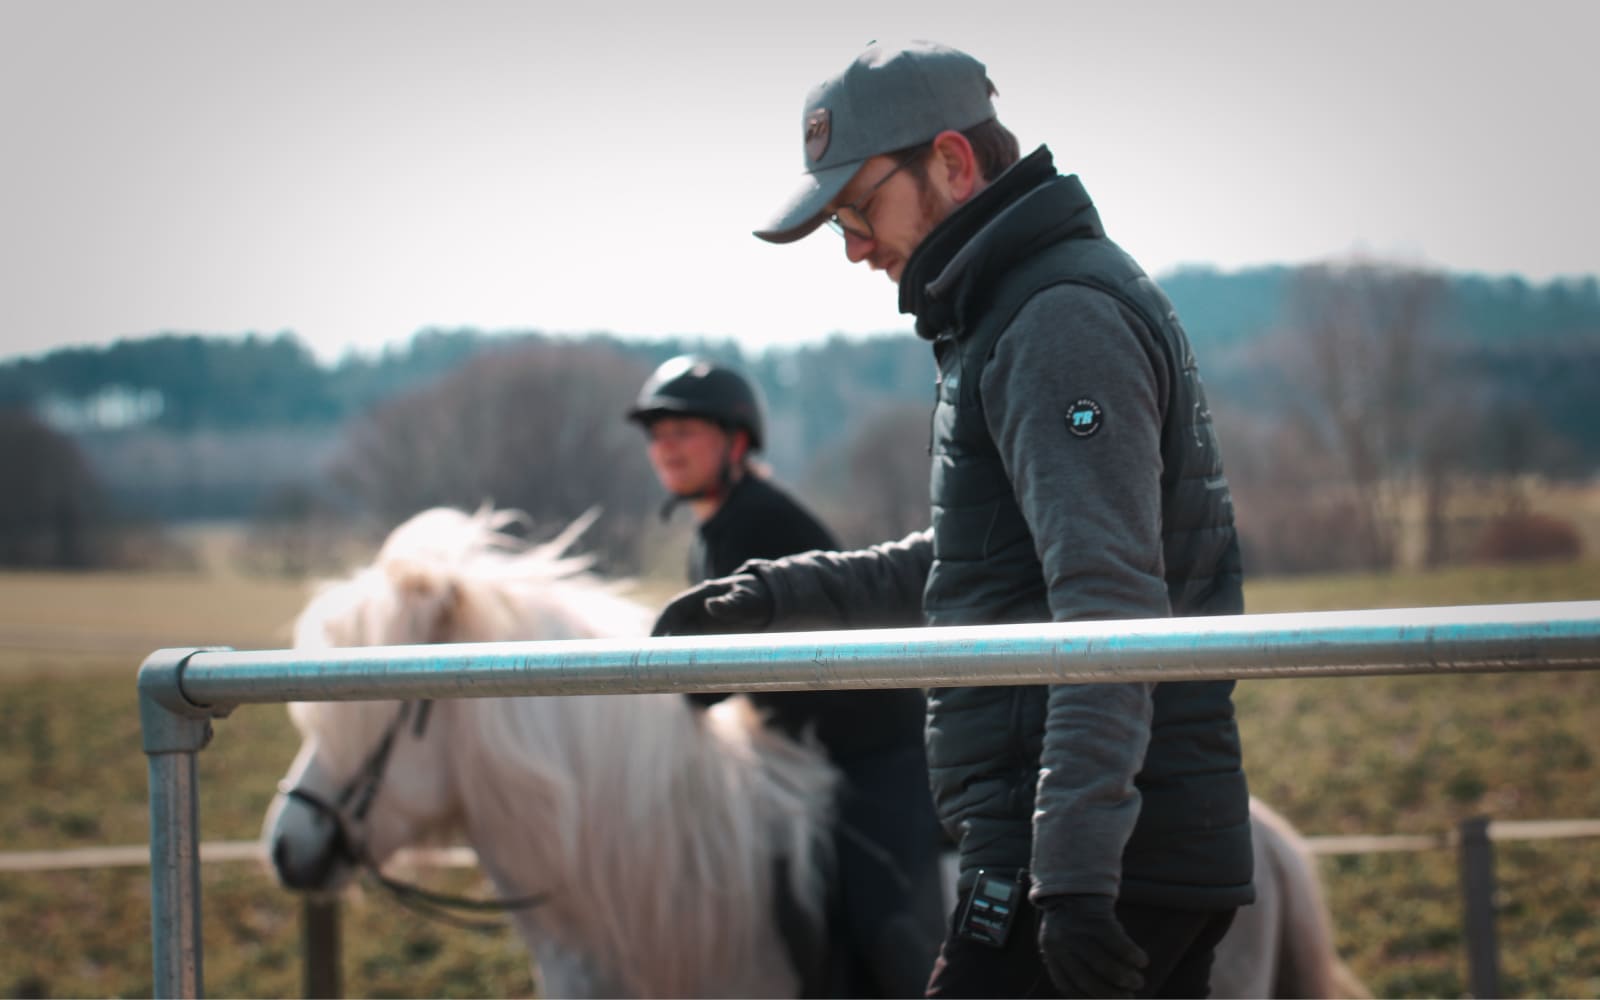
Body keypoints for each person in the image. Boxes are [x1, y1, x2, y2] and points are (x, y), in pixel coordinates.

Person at [652, 41, 1253, 999]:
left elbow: (1109, 599)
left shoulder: (1055, 320)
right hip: (1087, 838)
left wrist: (1073, 873)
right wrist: (771, 602)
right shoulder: (1011, 311)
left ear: (952, 162)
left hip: (1093, 854)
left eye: (857, 210)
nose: (854, 247)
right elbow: (982, 560)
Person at [627, 354, 947, 998]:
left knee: (890, 929)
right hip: (810, 759)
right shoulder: (715, 531)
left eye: (684, 432)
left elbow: (720, 672)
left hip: (878, 756)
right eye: (658, 436)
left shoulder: (757, 521)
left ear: (736, 442)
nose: (667, 448)